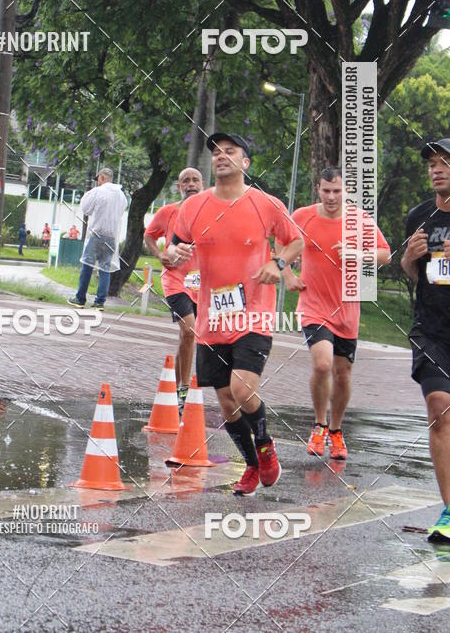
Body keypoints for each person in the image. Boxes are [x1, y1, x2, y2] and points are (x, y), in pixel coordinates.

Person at [168, 133, 304, 495]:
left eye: (230, 151)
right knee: (227, 402)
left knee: (243, 389)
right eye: (216, 152)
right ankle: (250, 467)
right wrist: (173, 255)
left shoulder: (265, 204)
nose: (221, 156)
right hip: (212, 317)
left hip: (254, 313)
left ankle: (265, 447)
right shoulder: (194, 207)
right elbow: (174, 246)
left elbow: (296, 241)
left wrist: (278, 263)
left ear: (246, 162)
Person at [282, 167, 390, 461]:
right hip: (313, 307)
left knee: (342, 375)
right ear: (318, 189)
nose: (331, 196)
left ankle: (336, 431)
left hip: (347, 310)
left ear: (346, 191)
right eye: (326, 190)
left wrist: (357, 254)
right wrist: (288, 276)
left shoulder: (359, 221)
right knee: (322, 364)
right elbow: (282, 244)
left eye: (337, 191)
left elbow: (385, 254)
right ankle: (319, 424)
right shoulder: (303, 216)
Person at [401, 139, 450, 542]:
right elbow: (415, 276)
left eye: (445, 163)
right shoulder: (419, 216)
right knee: (439, 406)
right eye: (433, 164)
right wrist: (408, 260)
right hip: (431, 331)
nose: (437, 169)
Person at [144, 167, 204, 409]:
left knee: (187, 337)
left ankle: (179, 386)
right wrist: (160, 254)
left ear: (203, 184)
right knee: (189, 331)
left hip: (200, 282)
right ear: (179, 187)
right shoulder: (168, 212)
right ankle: (184, 390)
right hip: (175, 280)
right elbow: (149, 235)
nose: (191, 184)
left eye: (195, 180)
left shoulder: (211, 213)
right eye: (185, 181)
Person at [68, 167, 127, 310]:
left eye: (98, 180)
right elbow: (122, 210)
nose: (98, 182)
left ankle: (80, 298)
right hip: (111, 237)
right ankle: (100, 302)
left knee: (87, 266)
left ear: (101, 177)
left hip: (96, 234)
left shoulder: (97, 191)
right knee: (105, 268)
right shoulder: (121, 195)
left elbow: (86, 210)